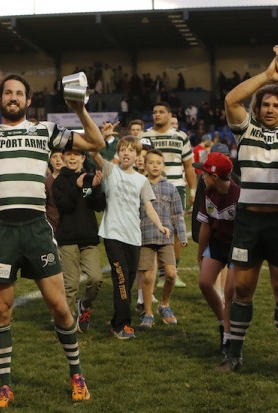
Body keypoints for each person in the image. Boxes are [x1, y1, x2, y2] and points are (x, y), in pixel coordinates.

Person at [0, 59, 105, 407]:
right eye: (7, 92)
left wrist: (79, 108)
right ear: (0, 101)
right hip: (0, 231)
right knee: (1, 310)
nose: (13, 97)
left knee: (59, 306)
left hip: (35, 229)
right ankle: (5, 385)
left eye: (19, 93)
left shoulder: (45, 131)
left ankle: (77, 375)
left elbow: (96, 141)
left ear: (28, 101)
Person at [215, 44, 278, 375]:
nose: (272, 109)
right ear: (258, 109)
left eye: (277, 104)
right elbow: (231, 99)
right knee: (242, 290)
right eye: (266, 104)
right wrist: (267, 75)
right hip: (249, 221)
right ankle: (235, 355)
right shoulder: (247, 130)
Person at [91, 136, 170, 339]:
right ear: (118, 152)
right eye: (123, 149)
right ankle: (122, 326)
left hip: (134, 238)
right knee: (121, 280)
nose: (126, 153)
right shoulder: (110, 170)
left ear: (137, 155)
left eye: (131, 150)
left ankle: (116, 322)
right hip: (113, 235)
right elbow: (93, 152)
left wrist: (160, 225)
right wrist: (103, 136)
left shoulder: (141, 180)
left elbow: (148, 206)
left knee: (127, 282)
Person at [141, 102, 195, 289]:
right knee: (150, 229)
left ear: (170, 115)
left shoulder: (180, 137)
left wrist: (193, 190)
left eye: (161, 112)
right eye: (154, 112)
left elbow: (188, 166)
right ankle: (153, 272)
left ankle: (172, 271)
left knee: (173, 229)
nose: (157, 115)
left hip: (176, 187)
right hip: (149, 187)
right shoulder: (144, 136)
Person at [52, 148, 105, 332]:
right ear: (63, 158)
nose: (72, 157)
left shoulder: (89, 178)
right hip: (67, 239)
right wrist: (77, 187)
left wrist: (97, 189)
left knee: (96, 278)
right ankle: (67, 323)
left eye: (76, 154)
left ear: (83, 158)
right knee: (71, 285)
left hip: (88, 236)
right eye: (68, 154)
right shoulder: (59, 181)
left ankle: (85, 306)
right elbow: (64, 205)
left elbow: (98, 206)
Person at [194, 152, 239, 354]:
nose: (201, 175)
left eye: (204, 172)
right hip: (218, 242)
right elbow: (205, 226)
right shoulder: (208, 192)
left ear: (214, 176)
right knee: (204, 282)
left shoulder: (239, 195)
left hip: (237, 247)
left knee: (230, 291)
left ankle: (229, 338)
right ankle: (223, 323)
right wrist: (200, 253)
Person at [137, 149, 187, 328]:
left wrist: (181, 235)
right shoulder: (139, 185)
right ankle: (148, 313)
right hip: (145, 237)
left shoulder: (170, 188)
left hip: (166, 238)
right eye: (151, 162)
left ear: (163, 165)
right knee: (148, 277)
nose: (155, 166)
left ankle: (164, 305)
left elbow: (177, 215)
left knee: (171, 275)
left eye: (158, 163)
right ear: (144, 165)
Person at [45, 148, 64, 233]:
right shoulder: (46, 182)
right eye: (54, 157)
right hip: (52, 227)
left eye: (61, 157)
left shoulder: (74, 179)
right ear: (50, 161)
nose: (58, 160)